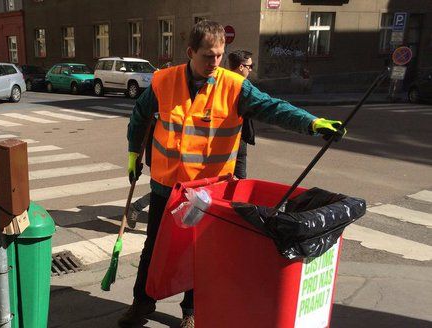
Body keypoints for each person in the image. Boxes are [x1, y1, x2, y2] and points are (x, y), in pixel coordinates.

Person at [122, 20, 344, 328]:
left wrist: (312, 123)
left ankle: (192, 311)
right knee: (153, 252)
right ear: (190, 52)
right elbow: (140, 115)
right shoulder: (164, 81)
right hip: (166, 186)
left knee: (200, 253)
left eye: (219, 55)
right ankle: (142, 305)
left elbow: (273, 108)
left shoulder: (234, 86)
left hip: (206, 191)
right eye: (207, 56)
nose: (215, 62)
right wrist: (134, 152)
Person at [227, 50, 255, 179]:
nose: (251, 70)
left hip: (238, 138)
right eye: (250, 67)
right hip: (234, 140)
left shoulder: (224, 82)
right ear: (241, 67)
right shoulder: (240, 86)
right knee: (239, 180)